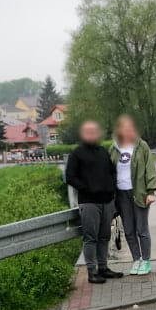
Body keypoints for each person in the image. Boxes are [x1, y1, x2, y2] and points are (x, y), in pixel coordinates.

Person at [65, 121, 123, 284]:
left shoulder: (103, 152)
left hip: (106, 202)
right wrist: (87, 188)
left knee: (105, 236)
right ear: (83, 134)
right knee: (91, 237)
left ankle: (103, 268)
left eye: (94, 132)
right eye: (88, 132)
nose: (92, 135)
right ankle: (92, 272)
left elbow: (113, 172)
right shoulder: (77, 153)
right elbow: (70, 177)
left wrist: (111, 190)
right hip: (89, 202)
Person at [110, 116, 156, 276]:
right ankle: (136, 259)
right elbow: (109, 171)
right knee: (129, 230)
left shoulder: (141, 146)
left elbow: (150, 168)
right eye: (124, 128)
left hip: (139, 193)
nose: (127, 130)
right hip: (121, 195)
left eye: (130, 127)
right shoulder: (114, 149)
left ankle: (146, 260)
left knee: (141, 229)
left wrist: (151, 191)